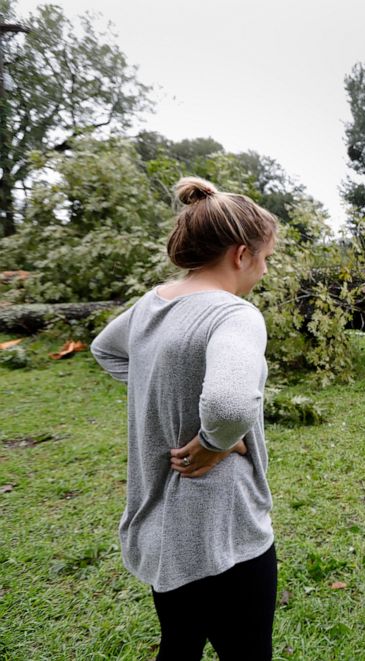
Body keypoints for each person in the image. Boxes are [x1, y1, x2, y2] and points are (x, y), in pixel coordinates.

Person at [91, 177, 279, 660]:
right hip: (224, 534)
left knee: (179, 648)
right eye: (265, 258)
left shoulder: (152, 305)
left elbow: (105, 350)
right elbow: (230, 406)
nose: (263, 270)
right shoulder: (234, 314)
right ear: (241, 254)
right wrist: (217, 440)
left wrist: (160, 390)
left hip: (163, 538)